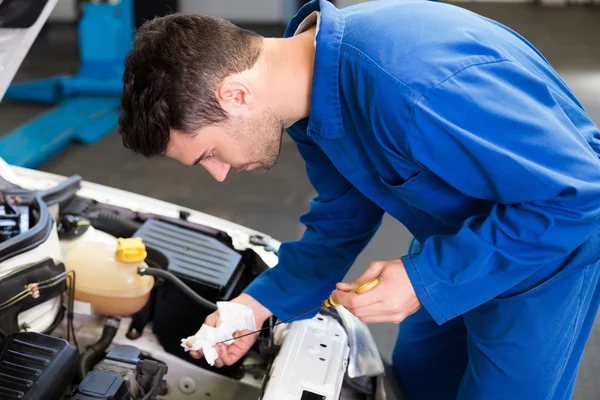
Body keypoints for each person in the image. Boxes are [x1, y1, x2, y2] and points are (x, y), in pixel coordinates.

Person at [117, 0, 600, 398]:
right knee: (418, 379)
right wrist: (255, 306)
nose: (219, 174)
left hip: (543, 253)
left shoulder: (412, 86)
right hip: (452, 241)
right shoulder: (306, 97)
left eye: (208, 153)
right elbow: (342, 216)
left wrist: (425, 277)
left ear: (236, 95)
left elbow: (579, 197)